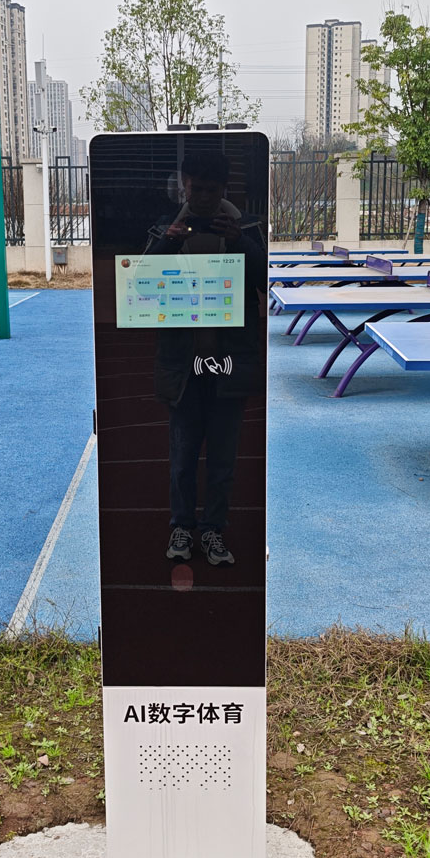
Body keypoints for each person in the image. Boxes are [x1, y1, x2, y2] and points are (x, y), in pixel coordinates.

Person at [144, 149, 265, 567]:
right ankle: (182, 526)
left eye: (212, 190)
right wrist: (168, 242)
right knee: (182, 458)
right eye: (196, 189)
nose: (204, 198)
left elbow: (265, 281)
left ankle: (213, 530)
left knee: (223, 461)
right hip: (183, 366)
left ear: (224, 188)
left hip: (229, 364)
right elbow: (141, 283)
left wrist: (239, 241)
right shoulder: (164, 227)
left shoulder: (247, 227)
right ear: (184, 186)